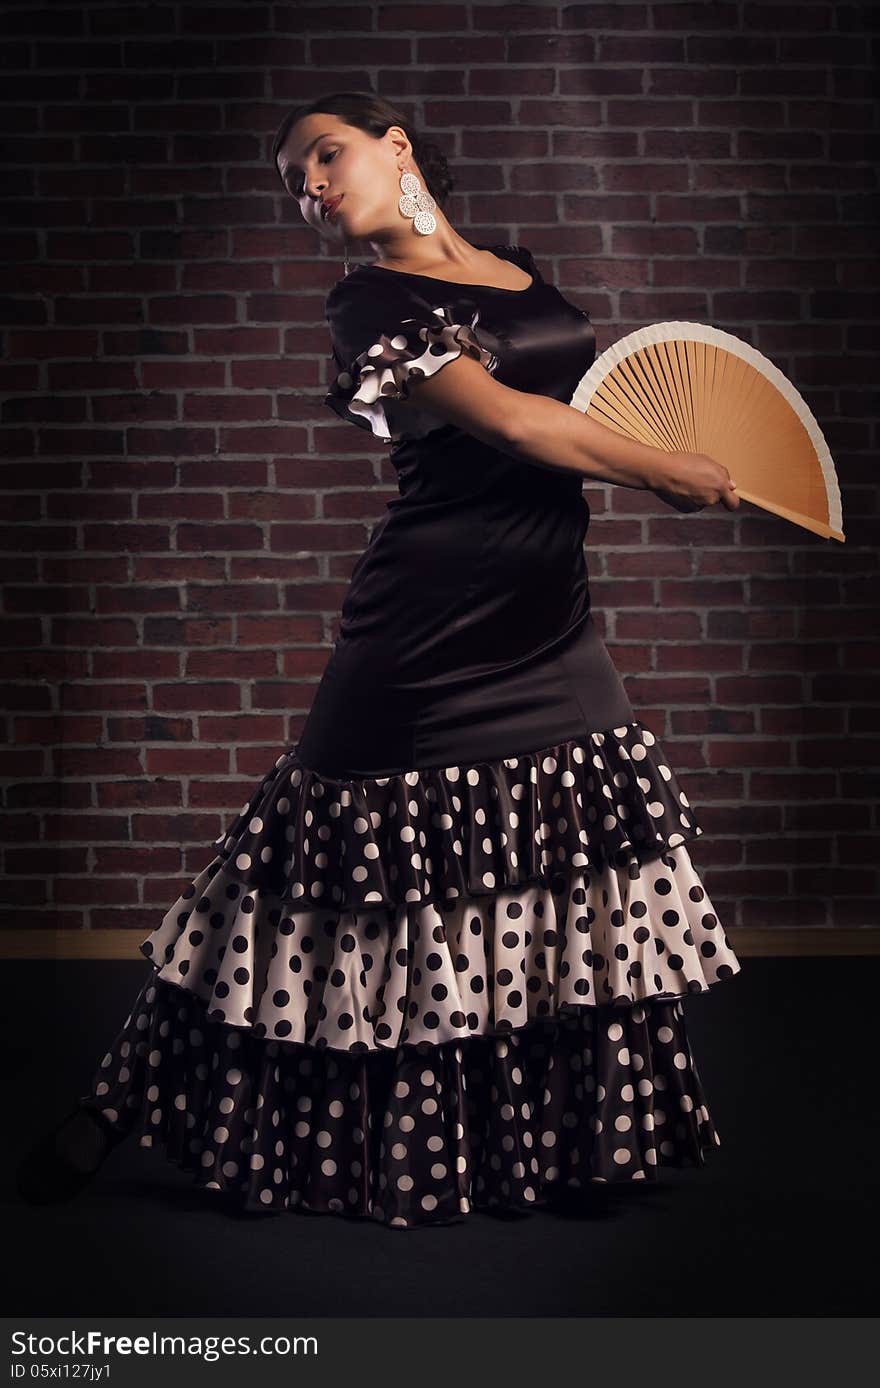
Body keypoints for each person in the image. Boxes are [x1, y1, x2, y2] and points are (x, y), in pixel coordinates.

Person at [18, 91, 742, 1231]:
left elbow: (568, 409)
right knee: (300, 878)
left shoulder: (520, 269)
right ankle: (117, 1102)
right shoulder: (368, 302)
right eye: (294, 181)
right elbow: (508, 422)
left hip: (551, 617)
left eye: (325, 155)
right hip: (422, 627)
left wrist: (662, 460)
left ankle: (577, 1140)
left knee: (570, 868)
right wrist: (666, 467)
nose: (310, 186)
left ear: (394, 146)